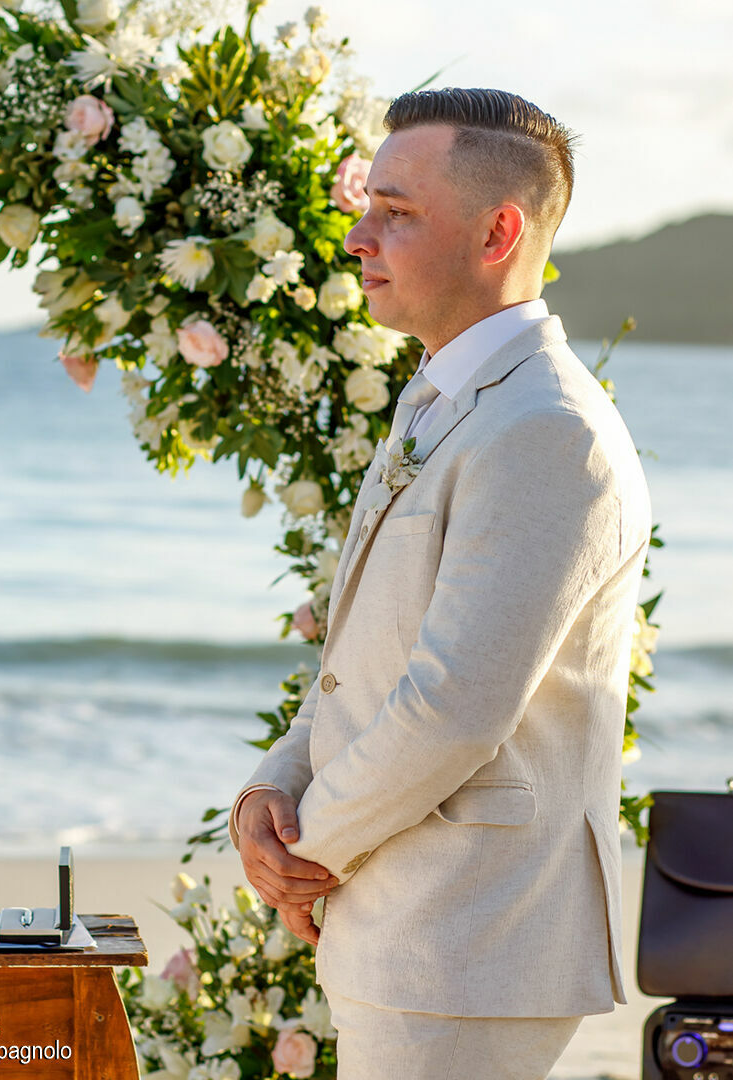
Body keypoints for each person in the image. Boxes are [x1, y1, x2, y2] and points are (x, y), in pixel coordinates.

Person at [229, 89, 652, 1079]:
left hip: (468, 936)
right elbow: (365, 658)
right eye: (365, 206)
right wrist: (271, 789)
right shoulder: (440, 400)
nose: (358, 237)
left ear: (498, 230)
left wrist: (306, 849)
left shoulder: (548, 430)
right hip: (411, 932)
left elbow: (457, 704)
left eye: (397, 212)